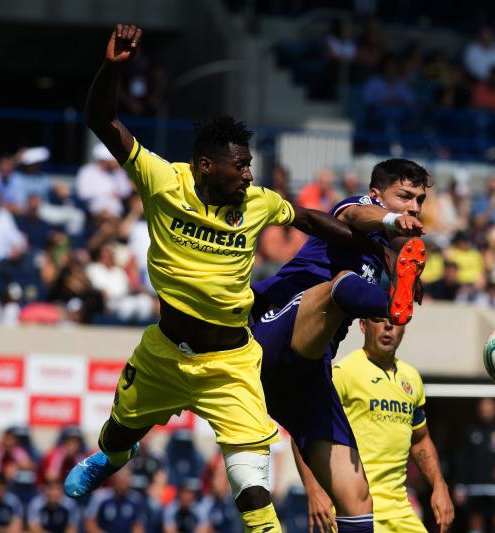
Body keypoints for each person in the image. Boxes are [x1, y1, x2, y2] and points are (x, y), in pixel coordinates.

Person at [65, 24, 398, 533]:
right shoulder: (163, 181)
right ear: (205, 166)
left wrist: (379, 237)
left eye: (250, 166)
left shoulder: (258, 203)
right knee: (115, 436)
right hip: (164, 354)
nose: (248, 175)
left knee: (252, 486)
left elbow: (311, 221)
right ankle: (109, 458)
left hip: (230, 363)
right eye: (239, 166)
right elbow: (101, 119)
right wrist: (112, 66)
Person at [251, 159, 429, 532]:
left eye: (420, 201)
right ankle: (390, 306)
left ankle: (392, 304)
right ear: (377, 194)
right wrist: (391, 221)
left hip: (308, 369)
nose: (413, 208)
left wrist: (402, 272)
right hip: (269, 333)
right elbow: (356, 216)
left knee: (357, 499)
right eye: (405, 197)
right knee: (340, 284)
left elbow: (389, 250)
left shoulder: (386, 256)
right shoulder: (355, 208)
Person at [298, 317, 454, 533]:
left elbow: (420, 439)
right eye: (378, 320)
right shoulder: (344, 372)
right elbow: (303, 428)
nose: (388, 326)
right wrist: (314, 491)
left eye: (395, 321)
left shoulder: (412, 378)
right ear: (363, 326)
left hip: (401, 511)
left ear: (404, 328)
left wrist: (439, 485)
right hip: (357, 512)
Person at [454, 399, 495, 533]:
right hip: (474, 487)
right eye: (483, 410)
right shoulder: (470, 431)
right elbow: (462, 460)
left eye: (489, 409)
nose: (486, 412)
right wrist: (460, 486)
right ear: (479, 411)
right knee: (475, 522)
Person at [85, 468, 145, 533]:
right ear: (114, 480)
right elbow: (90, 524)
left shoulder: (136, 499)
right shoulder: (100, 497)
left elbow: (138, 526)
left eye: (126, 480)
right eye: (121, 480)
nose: (123, 483)